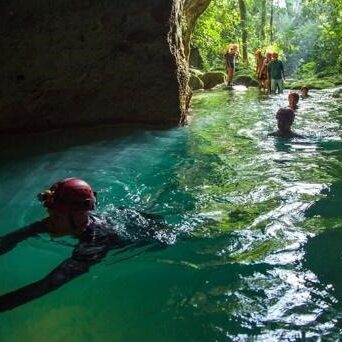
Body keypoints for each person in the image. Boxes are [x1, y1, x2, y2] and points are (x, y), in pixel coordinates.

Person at [0, 178, 172, 312]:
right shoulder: (64, 221)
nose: (47, 221)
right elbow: (14, 237)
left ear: (78, 218)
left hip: (153, 236)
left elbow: (50, 283)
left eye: (56, 217)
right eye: (50, 214)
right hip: (121, 217)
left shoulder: (95, 242)